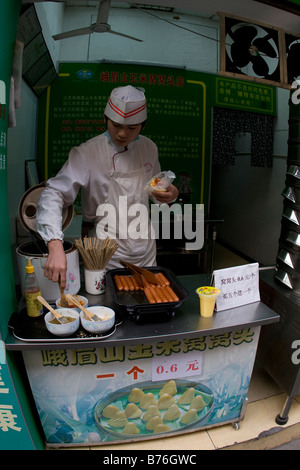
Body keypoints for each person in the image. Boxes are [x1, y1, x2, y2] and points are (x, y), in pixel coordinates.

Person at [36, 85, 178, 289]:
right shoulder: (86, 153)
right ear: (105, 119)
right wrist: (54, 243)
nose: (122, 134)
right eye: (116, 125)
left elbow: (154, 189)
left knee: (149, 301)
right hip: (106, 253)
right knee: (108, 305)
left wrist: (169, 194)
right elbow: (54, 193)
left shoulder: (149, 148)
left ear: (143, 126)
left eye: (132, 128)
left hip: (145, 249)